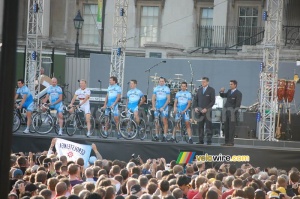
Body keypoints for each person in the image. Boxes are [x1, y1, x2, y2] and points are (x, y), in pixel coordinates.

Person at [193, 77, 215, 145]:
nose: (202, 83)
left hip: (207, 112)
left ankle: (209, 141)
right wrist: (195, 107)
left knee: (208, 126)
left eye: (204, 82)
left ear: (207, 82)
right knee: (200, 126)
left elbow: (212, 101)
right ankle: (200, 140)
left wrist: (207, 108)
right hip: (200, 112)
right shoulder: (199, 90)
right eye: (202, 82)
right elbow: (195, 99)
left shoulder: (211, 90)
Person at [219, 80, 242, 146]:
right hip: (226, 111)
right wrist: (221, 91)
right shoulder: (229, 91)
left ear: (235, 85)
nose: (230, 85)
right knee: (226, 127)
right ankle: (226, 141)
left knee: (231, 128)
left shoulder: (238, 93)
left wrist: (234, 112)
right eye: (229, 84)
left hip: (232, 113)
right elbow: (223, 95)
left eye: (231, 84)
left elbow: (238, 104)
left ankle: (231, 142)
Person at [152, 77, 171, 142]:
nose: (161, 82)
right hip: (157, 106)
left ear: (164, 82)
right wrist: (153, 106)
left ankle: (165, 136)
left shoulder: (167, 88)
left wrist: (163, 107)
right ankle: (157, 135)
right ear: (158, 81)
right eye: (160, 81)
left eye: (162, 81)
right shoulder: (156, 88)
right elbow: (153, 98)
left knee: (164, 121)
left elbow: (168, 99)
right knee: (156, 121)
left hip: (164, 107)